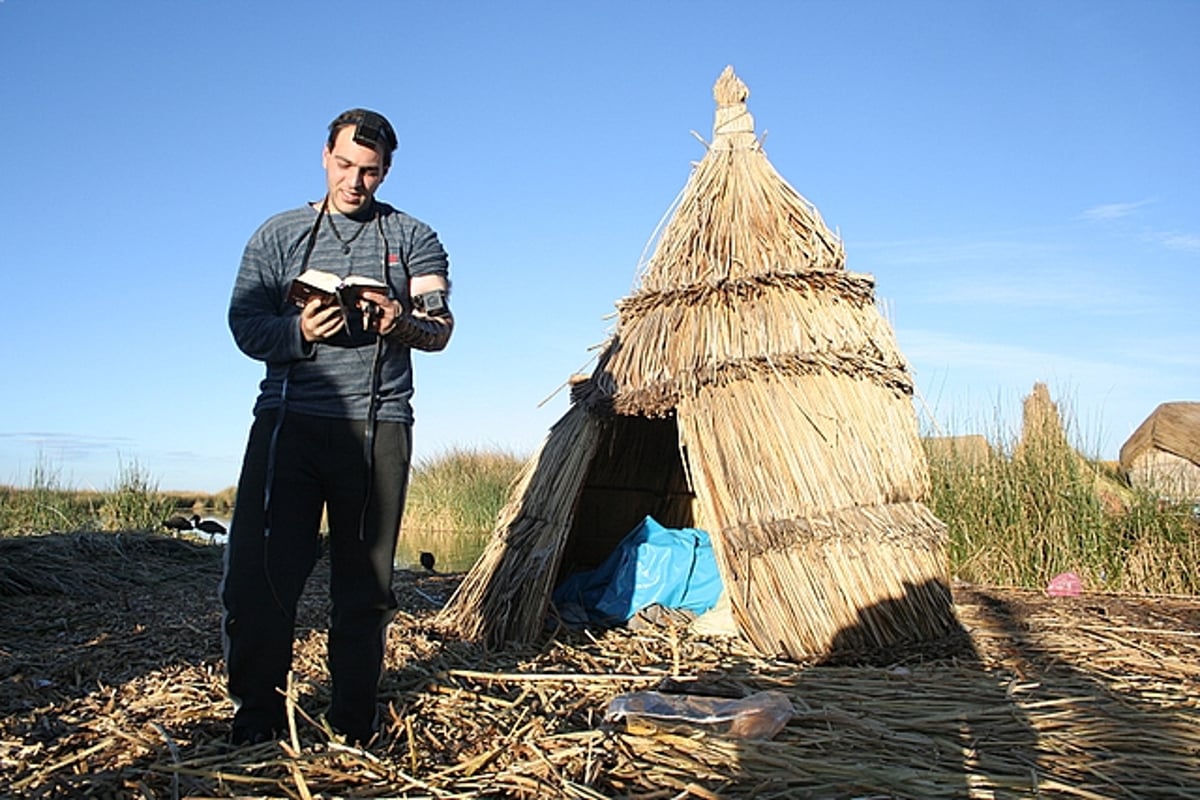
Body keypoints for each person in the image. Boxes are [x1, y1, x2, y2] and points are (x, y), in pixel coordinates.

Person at [221, 108, 453, 746]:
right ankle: (257, 717)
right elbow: (244, 326)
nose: (356, 182)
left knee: (365, 584)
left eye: (370, 172)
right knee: (260, 577)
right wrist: (296, 332)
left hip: (380, 427)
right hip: (288, 422)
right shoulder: (277, 235)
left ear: (387, 171)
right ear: (325, 155)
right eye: (346, 165)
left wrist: (397, 322)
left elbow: (441, 330)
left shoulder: (415, 237)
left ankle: (353, 718)